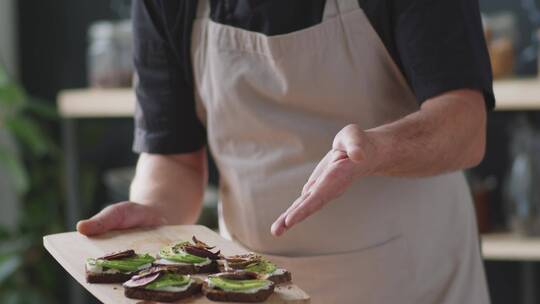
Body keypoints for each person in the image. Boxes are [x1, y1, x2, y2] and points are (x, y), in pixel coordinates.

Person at [77, 0, 494, 303]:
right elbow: (175, 158)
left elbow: (465, 124)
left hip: (413, 281)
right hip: (254, 285)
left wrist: (378, 148)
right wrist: (153, 212)